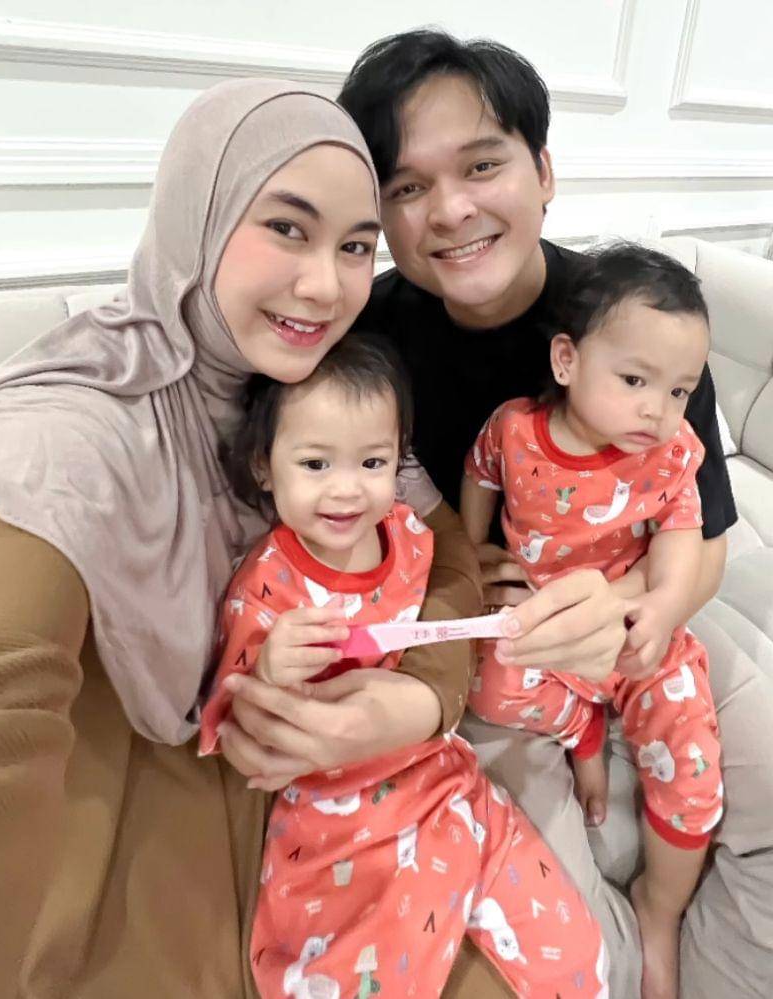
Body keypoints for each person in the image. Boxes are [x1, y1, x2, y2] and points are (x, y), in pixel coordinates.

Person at [0, 81, 490, 998]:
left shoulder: (322, 392)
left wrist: (419, 700)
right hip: (145, 865)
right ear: (197, 219)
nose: (325, 286)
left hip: (340, 820)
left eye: (356, 246)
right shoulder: (79, 424)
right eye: (286, 228)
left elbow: (446, 550)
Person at [339, 29, 773, 999]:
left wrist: (632, 606)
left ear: (541, 171)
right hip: (492, 646)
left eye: (480, 165)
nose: (450, 210)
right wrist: (463, 562)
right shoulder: (366, 341)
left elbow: (704, 541)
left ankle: (683, 945)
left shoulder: (638, 320)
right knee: (561, 932)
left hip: (640, 606)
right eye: (407, 186)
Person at [199, 334, 606, 999]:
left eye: (372, 461)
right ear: (264, 467)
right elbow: (235, 716)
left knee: (575, 951)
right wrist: (271, 671)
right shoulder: (266, 585)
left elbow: (453, 603)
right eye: (315, 463)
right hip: (337, 815)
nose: (346, 489)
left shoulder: (410, 536)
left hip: (446, 781)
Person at [461, 243, 723, 999]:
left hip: (633, 630)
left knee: (693, 760)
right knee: (489, 689)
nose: (658, 409)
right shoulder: (516, 430)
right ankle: (579, 727)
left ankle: (659, 910)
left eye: (679, 389)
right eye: (635, 380)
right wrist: (474, 552)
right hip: (542, 626)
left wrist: (661, 608)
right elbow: (479, 474)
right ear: (567, 360)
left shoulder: (672, 451)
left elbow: (682, 529)